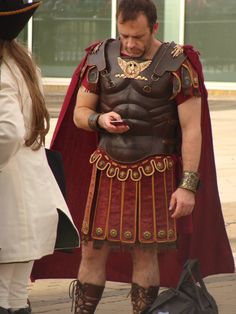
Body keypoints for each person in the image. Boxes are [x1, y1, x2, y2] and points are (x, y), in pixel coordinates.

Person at [33, 0, 234, 313]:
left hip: (155, 170)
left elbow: (192, 130)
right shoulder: (100, 56)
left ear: (154, 28)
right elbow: (80, 113)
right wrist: (99, 120)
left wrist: (188, 185)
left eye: (137, 37)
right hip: (107, 168)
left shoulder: (177, 63)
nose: (129, 44)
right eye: (124, 35)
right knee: (92, 249)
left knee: (145, 252)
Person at [0, 1, 80, 314]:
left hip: (10, 202)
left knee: (6, 295)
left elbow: (7, 131)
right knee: (16, 295)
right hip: (30, 197)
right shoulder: (22, 61)